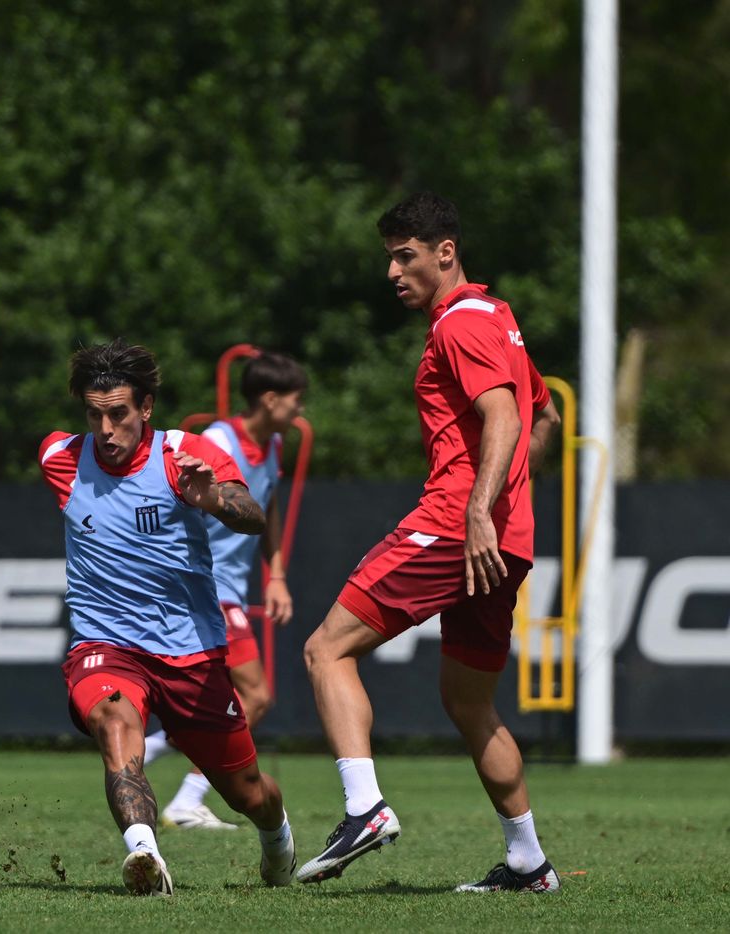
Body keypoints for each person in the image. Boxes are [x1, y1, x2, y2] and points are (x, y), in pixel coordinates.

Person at [296, 192, 562, 892]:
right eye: (389, 256)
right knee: (469, 703)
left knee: (326, 650)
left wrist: (478, 508)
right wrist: (509, 504)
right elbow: (547, 416)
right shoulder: (498, 318)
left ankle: (364, 809)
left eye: (404, 254)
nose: (392, 270)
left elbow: (505, 416)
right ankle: (529, 862)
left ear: (445, 252)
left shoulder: (459, 325)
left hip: (456, 525)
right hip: (506, 541)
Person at [38, 339, 295, 895]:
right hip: (104, 642)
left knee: (247, 791)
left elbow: (251, 514)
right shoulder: (60, 459)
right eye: (94, 414)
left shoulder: (185, 454)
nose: (106, 429)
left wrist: (213, 500)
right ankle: (144, 855)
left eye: (119, 414)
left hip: (191, 649)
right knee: (114, 722)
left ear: (146, 407)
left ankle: (277, 838)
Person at [145, 351, 307, 831]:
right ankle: (187, 799)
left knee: (208, 702)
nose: (301, 411)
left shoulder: (273, 446)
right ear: (270, 399)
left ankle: (153, 746)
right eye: (296, 400)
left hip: (231, 587)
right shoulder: (218, 441)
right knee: (255, 696)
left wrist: (275, 575)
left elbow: (266, 508)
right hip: (204, 586)